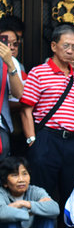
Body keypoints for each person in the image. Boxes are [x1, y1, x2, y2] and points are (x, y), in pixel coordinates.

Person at [20, 24, 74, 228]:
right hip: (47, 138)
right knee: (43, 193)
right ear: (53, 46)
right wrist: (33, 141)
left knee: (72, 193)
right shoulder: (38, 73)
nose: (71, 51)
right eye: (66, 45)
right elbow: (26, 110)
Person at [0, 21, 25, 158]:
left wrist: (9, 63)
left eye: (14, 44)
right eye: (5, 42)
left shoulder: (12, 62)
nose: (9, 47)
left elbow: (19, 94)